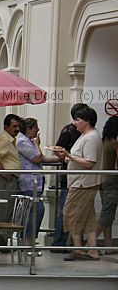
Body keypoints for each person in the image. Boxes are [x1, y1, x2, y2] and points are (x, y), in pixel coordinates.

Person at [53, 105, 103, 261]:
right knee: (88, 217)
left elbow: (89, 162)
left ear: (86, 121)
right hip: (81, 181)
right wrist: (68, 157)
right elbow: (80, 157)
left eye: (78, 120)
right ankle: (92, 250)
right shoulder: (86, 136)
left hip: (82, 183)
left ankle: (78, 248)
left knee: (70, 214)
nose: (75, 123)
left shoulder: (91, 137)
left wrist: (70, 156)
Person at [16, 118, 59, 244]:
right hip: (29, 182)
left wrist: (60, 158)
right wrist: (37, 144)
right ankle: (26, 239)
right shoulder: (22, 142)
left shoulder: (28, 141)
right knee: (37, 209)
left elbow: (42, 158)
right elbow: (37, 158)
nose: (38, 130)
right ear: (29, 129)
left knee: (35, 210)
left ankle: (29, 238)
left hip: (36, 182)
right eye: (36, 128)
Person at [52, 103, 89, 247]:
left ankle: (74, 243)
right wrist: (66, 157)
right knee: (65, 210)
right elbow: (58, 149)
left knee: (76, 212)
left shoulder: (85, 134)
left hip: (80, 177)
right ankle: (59, 242)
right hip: (69, 177)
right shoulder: (68, 131)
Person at [0, 114, 23, 244]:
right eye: (14, 126)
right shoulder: (3, 139)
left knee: (9, 210)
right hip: (4, 181)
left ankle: (2, 241)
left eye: (18, 126)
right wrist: (4, 173)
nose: (17, 129)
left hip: (11, 180)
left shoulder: (11, 140)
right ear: (6, 127)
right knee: (2, 210)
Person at [97, 116, 118, 247]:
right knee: (107, 214)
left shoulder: (102, 141)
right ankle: (88, 245)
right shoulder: (115, 144)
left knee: (106, 211)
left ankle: (108, 243)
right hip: (112, 180)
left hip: (101, 179)